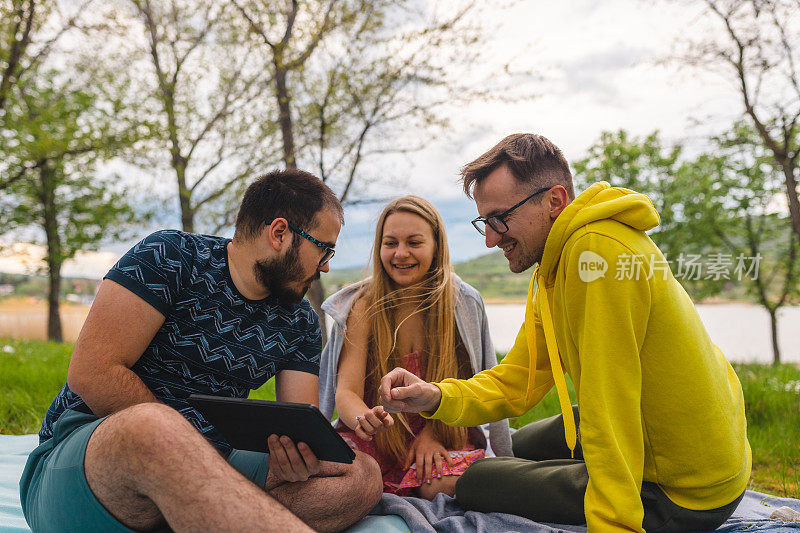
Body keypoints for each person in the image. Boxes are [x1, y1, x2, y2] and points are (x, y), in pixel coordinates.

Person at [378, 135, 751, 531]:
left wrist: (614, 524)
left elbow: (612, 403)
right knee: (507, 446)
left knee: (476, 478)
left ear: (554, 201)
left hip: (683, 490)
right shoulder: (556, 265)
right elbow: (517, 380)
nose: (490, 238)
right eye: (484, 222)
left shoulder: (596, 257)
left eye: (500, 218)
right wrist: (436, 395)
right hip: (672, 432)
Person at [19, 169, 382, 533]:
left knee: (360, 474)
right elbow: (92, 373)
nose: (327, 265)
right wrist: (194, 457)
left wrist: (296, 457)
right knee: (153, 425)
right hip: (88, 462)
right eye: (323, 248)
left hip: (214, 462)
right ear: (279, 233)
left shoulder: (299, 320)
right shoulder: (169, 256)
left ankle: (199, 514)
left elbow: (300, 422)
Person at [317, 196, 512, 499]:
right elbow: (346, 391)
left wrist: (434, 435)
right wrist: (363, 419)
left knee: (439, 485)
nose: (401, 253)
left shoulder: (458, 304)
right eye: (390, 243)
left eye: (414, 242)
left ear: (436, 247)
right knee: (346, 478)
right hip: (377, 440)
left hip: (444, 430)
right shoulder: (362, 305)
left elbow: (469, 386)